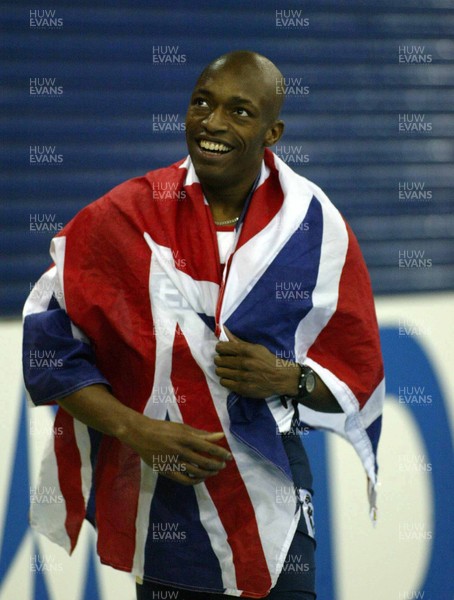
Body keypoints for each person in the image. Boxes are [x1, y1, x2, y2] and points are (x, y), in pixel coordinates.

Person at [23, 51, 384, 600]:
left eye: (239, 112)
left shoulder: (314, 228)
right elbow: (49, 351)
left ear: (272, 132)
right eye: (202, 103)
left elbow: (356, 376)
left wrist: (286, 378)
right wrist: (134, 429)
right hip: (162, 488)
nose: (213, 123)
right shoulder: (125, 216)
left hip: (272, 487)